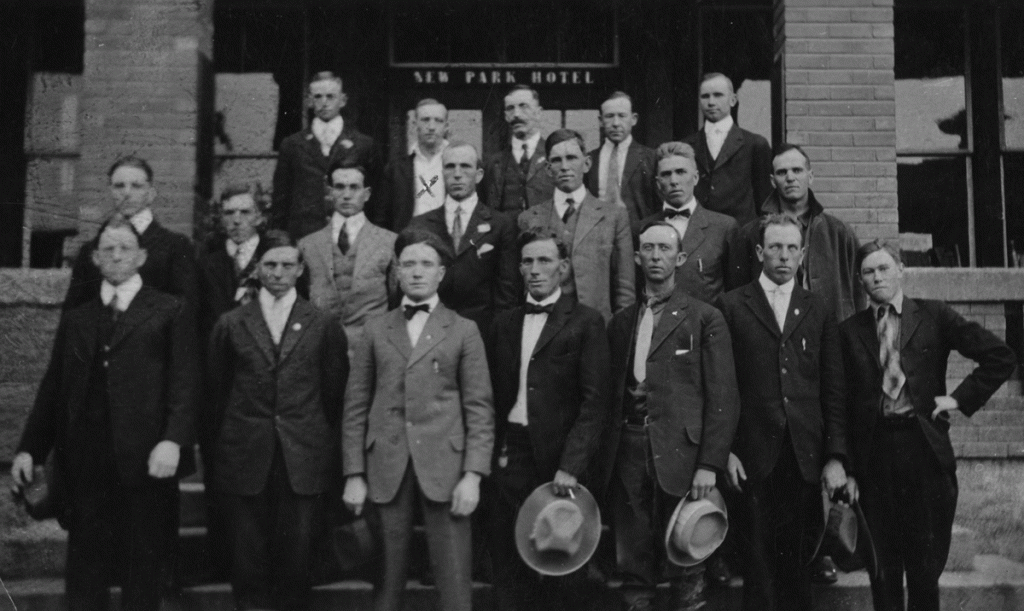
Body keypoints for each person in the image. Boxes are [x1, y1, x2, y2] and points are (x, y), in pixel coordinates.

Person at [11, 217, 199, 611]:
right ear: (95, 258)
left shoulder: (169, 310)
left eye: (125, 248)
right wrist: (30, 448)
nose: (116, 256)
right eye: (108, 249)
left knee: (142, 569)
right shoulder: (79, 317)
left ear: (141, 257)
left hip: (147, 461)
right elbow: (54, 387)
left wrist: (172, 441)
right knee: (85, 571)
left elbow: (185, 384)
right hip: (86, 462)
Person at [839, 240, 1016, 611]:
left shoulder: (934, 315)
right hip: (874, 459)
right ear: (860, 280)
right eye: (869, 272)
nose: (877, 277)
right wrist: (848, 469)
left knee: (924, 571)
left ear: (901, 271)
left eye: (884, 268)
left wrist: (959, 399)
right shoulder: (849, 332)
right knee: (882, 572)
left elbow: (999, 356)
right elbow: (841, 406)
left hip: (923, 453)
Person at [342, 228, 495, 611]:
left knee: (454, 578)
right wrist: (354, 473)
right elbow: (356, 405)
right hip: (386, 462)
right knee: (386, 579)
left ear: (441, 273)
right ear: (396, 272)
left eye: (426, 264)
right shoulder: (376, 329)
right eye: (408, 263)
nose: (416, 271)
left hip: (447, 464)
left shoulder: (463, 330)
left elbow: (479, 408)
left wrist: (473, 475)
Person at [601, 221, 740, 611]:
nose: (655, 256)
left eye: (664, 249)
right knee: (633, 550)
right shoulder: (622, 322)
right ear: (636, 256)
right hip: (630, 444)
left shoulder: (704, 317)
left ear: (680, 258)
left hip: (683, 450)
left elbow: (723, 398)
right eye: (648, 248)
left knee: (686, 551)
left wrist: (709, 464)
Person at [206, 229, 348, 611]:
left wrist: (317, 441)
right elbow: (216, 395)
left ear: (300, 268)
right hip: (245, 454)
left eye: (287, 265)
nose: (279, 273)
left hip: (301, 455)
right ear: (257, 268)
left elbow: (333, 395)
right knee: (247, 562)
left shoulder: (322, 324)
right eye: (270, 264)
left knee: (296, 561)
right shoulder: (231, 324)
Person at [718, 214, 850, 611]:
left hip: (803, 454)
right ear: (760, 252)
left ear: (803, 253)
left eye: (793, 248)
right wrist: (726, 451)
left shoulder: (818, 307)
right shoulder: (732, 305)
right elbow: (723, 386)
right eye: (775, 247)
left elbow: (834, 388)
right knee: (757, 568)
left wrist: (836, 456)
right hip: (752, 456)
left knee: (797, 565)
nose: (784, 256)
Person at [486, 231, 610, 611]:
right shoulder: (504, 323)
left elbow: (595, 402)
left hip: (561, 454)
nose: (535, 270)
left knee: (563, 562)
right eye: (527, 261)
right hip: (512, 451)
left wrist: (571, 465)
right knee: (510, 558)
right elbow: (492, 396)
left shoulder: (586, 321)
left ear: (564, 267)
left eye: (544, 261)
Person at [195, 183, 271, 580]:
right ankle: (220, 558)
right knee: (218, 467)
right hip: (218, 381)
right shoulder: (206, 263)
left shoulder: (273, 258)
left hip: (264, 380)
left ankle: (261, 561)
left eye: (244, 212)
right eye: (229, 213)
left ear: (259, 216)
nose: (237, 220)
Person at [730, 143, 863, 324]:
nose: (790, 177)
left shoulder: (839, 233)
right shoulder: (751, 234)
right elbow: (738, 297)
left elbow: (858, 294)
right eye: (782, 172)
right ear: (772, 181)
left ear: (810, 176)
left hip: (832, 334)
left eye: (797, 170)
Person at [518, 129, 635, 321]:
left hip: (597, 327)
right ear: (548, 169)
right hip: (545, 325)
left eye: (571, 158)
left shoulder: (613, 216)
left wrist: (619, 331)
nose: (565, 167)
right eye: (557, 160)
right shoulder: (529, 218)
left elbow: (625, 289)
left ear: (587, 163)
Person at [63, 156, 200, 318]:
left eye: (136, 186)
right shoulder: (90, 250)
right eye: (119, 186)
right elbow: (73, 314)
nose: (126, 193)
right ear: (110, 192)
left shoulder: (175, 247)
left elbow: (185, 311)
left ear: (151, 194)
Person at [409, 142, 520, 334]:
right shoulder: (421, 225)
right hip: (431, 332)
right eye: (450, 166)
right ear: (442, 172)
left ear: (479, 175)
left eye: (465, 166)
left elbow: (507, 293)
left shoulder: (501, 225)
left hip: (482, 333)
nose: (457, 174)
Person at [272, 71, 381, 239]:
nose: (324, 102)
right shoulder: (292, 144)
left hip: (350, 234)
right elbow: (281, 198)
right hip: (305, 234)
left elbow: (376, 198)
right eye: (318, 97)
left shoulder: (363, 144)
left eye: (330, 96)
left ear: (342, 100)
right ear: (309, 101)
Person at [299, 162, 397, 349]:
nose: (346, 195)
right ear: (329, 193)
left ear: (366, 194)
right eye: (339, 187)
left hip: (372, 346)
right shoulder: (307, 245)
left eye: (354, 187)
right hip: (321, 346)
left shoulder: (389, 242)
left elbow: (394, 297)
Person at [640, 142, 736, 305]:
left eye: (681, 172)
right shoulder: (642, 229)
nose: (674, 181)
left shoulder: (724, 227)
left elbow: (735, 292)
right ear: (658, 183)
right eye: (666, 174)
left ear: (695, 178)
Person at [683, 73, 773, 226]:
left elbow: (764, 201)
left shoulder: (755, 144)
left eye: (718, 95)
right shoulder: (687, 145)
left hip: (741, 232)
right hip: (700, 232)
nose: (711, 102)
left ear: (733, 100)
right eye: (705, 96)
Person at [584, 91, 659, 233]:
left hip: (637, 236)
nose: (616, 123)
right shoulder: (589, 159)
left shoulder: (651, 158)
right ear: (600, 120)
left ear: (634, 119)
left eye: (622, 116)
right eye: (609, 116)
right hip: (597, 236)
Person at [374, 98, 449, 232]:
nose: (431, 127)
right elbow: (382, 220)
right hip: (409, 241)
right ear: (414, 125)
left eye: (438, 120)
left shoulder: (460, 165)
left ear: (446, 126)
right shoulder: (396, 169)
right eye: (425, 120)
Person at [484, 85, 555, 213]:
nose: (516, 114)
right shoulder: (493, 163)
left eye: (524, 106)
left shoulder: (554, 157)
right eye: (510, 108)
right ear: (506, 116)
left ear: (538, 113)